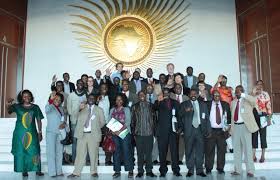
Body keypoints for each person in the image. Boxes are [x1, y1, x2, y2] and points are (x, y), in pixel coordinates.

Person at [6, 90, 44, 177]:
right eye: (24, 96)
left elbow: (38, 119)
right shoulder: (17, 106)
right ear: (21, 98)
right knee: (22, 151)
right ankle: (24, 170)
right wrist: (8, 104)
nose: (26, 97)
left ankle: (37, 169)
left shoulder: (35, 107)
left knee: (35, 150)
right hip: (20, 133)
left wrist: (40, 132)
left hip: (32, 133)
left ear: (31, 96)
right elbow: (9, 111)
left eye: (28, 96)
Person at [68, 94, 105, 178]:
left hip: (93, 135)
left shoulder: (99, 110)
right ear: (87, 99)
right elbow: (73, 117)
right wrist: (79, 109)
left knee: (94, 154)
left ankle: (94, 171)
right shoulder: (82, 108)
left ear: (95, 100)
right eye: (89, 98)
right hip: (82, 135)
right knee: (80, 155)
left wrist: (95, 127)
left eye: (93, 98)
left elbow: (102, 122)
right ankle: (76, 172)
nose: (91, 99)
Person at [178, 89, 211, 177]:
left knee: (200, 151)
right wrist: (186, 111)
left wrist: (209, 130)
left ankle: (200, 170)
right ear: (189, 95)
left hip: (200, 130)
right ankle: (191, 170)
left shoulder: (203, 104)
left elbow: (207, 118)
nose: (193, 95)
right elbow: (179, 116)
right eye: (191, 94)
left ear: (197, 95)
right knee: (189, 151)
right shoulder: (184, 104)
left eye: (195, 93)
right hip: (189, 130)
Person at [230, 85, 259, 177]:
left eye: (239, 91)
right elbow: (231, 116)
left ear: (242, 92)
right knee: (237, 150)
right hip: (236, 128)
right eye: (236, 91)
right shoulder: (233, 102)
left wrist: (243, 95)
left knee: (248, 150)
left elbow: (254, 100)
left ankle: (250, 170)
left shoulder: (247, 101)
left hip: (245, 127)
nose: (237, 92)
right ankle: (237, 170)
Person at [154, 88, 181, 177]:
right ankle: (162, 171)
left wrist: (179, 128)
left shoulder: (175, 103)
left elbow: (179, 116)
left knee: (174, 152)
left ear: (169, 93)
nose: (166, 94)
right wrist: (158, 101)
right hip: (162, 132)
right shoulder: (158, 102)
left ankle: (176, 170)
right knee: (162, 152)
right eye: (164, 93)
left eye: (167, 92)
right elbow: (153, 109)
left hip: (173, 131)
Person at [131, 91, 157, 178]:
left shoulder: (151, 106)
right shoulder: (134, 107)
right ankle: (140, 171)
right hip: (139, 134)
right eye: (140, 95)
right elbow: (132, 121)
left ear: (145, 96)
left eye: (143, 95)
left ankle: (149, 171)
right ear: (138, 97)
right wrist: (133, 133)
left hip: (149, 133)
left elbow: (154, 119)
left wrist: (154, 132)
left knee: (149, 153)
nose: (142, 96)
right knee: (140, 154)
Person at [205, 90, 231, 174]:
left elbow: (229, 118)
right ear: (212, 96)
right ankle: (208, 168)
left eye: (218, 95)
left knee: (221, 151)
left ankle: (220, 168)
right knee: (209, 150)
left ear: (220, 96)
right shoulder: (207, 104)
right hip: (211, 131)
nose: (216, 96)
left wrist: (228, 128)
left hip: (221, 131)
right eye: (215, 95)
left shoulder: (225, 105)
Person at [109, 94, 134, 178]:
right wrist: (112, 130)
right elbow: (109, 120)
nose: (119, 101)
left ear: (123, 101)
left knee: (127, 151)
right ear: (115, 101)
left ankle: (130, 170)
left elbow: (128, 121)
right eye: (117, 100)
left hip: (125, 133)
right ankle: (117, 170)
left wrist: (119, 131)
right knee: (116, 152)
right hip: (114, 133)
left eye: (120, 100)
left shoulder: (126, 109)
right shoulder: (112, 110)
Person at [45, 92, 65, 177]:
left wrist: (64, 124)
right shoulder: (49, 106)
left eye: (59, 100)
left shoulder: (61, 109)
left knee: (59, 152)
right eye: (56, 99)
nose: (58, 101)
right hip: (51, 132)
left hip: (60, 133)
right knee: (51, 153)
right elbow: (46, 110)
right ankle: (52, 172)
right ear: (53, 99)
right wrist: (50, 100)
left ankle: (59, 171)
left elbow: (63, 119)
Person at [252, 80, 272, 163]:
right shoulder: (253, 93)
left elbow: (269, 106)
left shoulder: (265, 94)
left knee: (263, 136)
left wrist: (269, 118)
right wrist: (254, 93)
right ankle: (253, 155)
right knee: (254, 135)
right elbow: (249, 103)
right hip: (254, 115)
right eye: (258, 84)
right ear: (256, 85)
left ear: (263, 85)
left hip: (263, 116)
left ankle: (263, 155)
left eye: (261, 84)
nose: (259, 86)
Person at [212, 75, 234, 153]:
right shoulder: (217, 89)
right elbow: (212, 91)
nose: (224, 81)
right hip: (220, 110)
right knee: (223, 129)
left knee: (228, 128)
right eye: (222, 80)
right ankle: (227, 147)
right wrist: (217, 82)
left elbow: (234, 98)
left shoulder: (230, 89)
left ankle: (230, 147)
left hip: (229, 110)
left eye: (225, 80)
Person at [67, 79, 87, 162]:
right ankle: (74, 159)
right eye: (79, 83)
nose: (80, 84)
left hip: (85, 122)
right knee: (75, 140)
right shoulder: (71, 95)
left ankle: (84, 159)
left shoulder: (86, 95)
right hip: (74, 121)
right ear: (76, 84)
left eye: (82, 83)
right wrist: (78, 110)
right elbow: (69, 110)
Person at [169, 83, 189, 164]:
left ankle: (180, 159)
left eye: (180, 88)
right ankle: (169, 159)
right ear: (174, 89)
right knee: (171, 141)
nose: (178, 89)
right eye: (176, 88)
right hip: (173, 121)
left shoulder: (186, 98)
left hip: (183, 122)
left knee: (182, 142)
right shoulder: (171, 97)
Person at [97, 83, 113, 166]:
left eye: (106, 87)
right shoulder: (96, 98)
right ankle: (96, 160)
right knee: (96, 142)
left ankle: (108, 160)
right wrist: (97, 100)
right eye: (102, 87)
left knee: (109, 141)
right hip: (97, 124)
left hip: (108, 123)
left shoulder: (110, 98)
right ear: (99, 89)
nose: (104, 89)